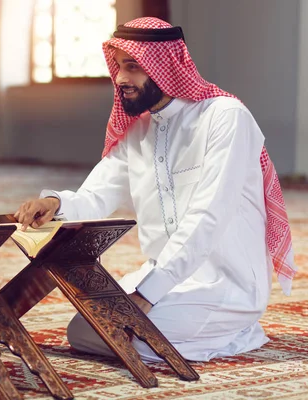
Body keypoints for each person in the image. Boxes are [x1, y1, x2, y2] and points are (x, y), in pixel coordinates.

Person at [15, 17, 297, 363]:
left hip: (224, 283)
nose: (120, 78)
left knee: (135, 340)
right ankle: (199, 330)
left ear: (163, 67)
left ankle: (236, 329)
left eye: (132, 67)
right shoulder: (140, 128)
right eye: (118, 66)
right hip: (162, 275)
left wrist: (148, 293)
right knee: (83, 331)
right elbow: (96, 195)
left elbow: (207, 216)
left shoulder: (225, 117)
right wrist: (54, 202)